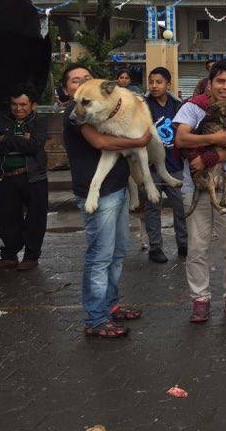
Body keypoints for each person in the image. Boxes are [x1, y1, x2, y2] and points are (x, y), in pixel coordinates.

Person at [62, 63, 148, 338]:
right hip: (96, 193)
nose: (82, 83)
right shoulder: (76, 114)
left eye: (87, 78)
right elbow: (102, 143)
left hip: (117, 188)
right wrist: (140, 140)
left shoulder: (99, 109)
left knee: (117, 252)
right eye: (75, 81)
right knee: (100, 257)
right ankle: (96, 319)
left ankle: (110, 306)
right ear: (67, 89)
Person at [174, 60, 226, 323]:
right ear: (210, 84)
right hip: (195, 187)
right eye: (221, 81)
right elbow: (181, 138)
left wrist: (207, 158)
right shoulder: (194, 106)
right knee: (197, 247)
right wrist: (217, 140)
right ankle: (200, 299)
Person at [0, 85, 49, 271]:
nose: (18, 108)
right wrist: (21, 140)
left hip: (33, 176)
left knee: (35, 219)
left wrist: (5, 139)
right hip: (7, 177)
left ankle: (31, 256)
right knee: (6, 218)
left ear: (33, 105)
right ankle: (9, 256)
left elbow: (34, 146)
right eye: (14, 104)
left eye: (23, 104)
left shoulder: (39, 121)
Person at [142, 67, 187, 263]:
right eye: (151, 82)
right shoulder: (142, 105)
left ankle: (184, 244)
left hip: (174, 165)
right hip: (150, 167)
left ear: (168, 84)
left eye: (159, 82)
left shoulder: (178, 105)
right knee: (152, 208)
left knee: (181, 208)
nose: (154, 86)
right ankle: (155, 247)